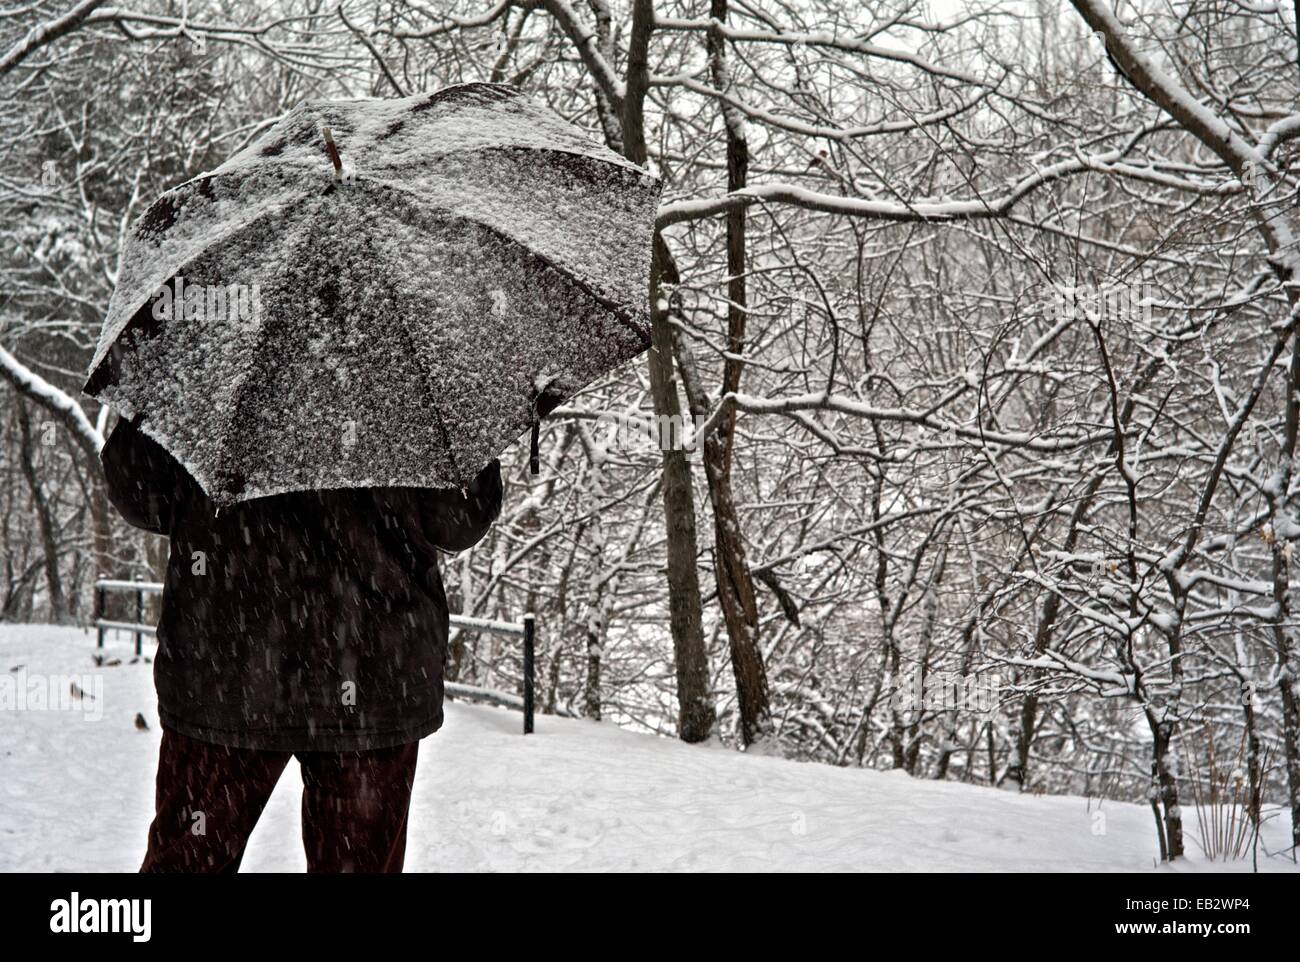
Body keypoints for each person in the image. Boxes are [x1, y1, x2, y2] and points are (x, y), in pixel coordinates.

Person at [100, 415, 502, 873]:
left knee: (189, 861)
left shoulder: (207, 362)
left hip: (226, 666)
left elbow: (138, 492)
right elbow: (459, 521)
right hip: (373, 672)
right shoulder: (404, 375)